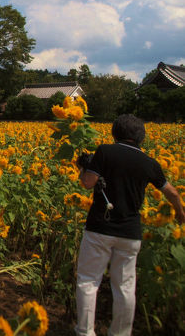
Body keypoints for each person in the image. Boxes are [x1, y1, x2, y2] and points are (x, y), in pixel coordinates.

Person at [74, 114, 185, 336]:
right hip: (130, 233)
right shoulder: (149, 162)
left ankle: (85, 332)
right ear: (141, 137)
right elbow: (171, 192)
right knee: (124, 288)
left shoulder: (105, 151)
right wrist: (180, 212)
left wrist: (83, 167)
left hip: (100, 228)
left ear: (115, 132)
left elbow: (88, 183)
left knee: (88, 281)